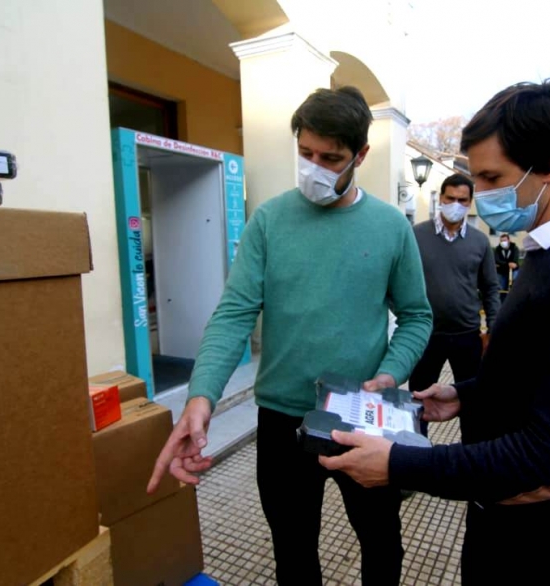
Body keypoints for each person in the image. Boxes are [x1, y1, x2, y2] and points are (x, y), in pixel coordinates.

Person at [319, 79, 550, 585]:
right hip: (508, 523)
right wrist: (465, 395)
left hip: (542, 548)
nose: (485, 196)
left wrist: (404, 464)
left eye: (494, 176)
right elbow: (540, 378)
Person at [147, 86, 433, 586]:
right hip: (281, 421)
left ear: (360, 155)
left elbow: (416, 316)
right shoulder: (270, 221)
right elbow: (234, 312)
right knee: (293, 552)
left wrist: (389, 374)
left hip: (359, 418)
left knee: (381, 540)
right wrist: (202, 396)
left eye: (331, 157)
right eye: (305, 153)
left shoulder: (390, 227)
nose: (315, 167)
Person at [409, 173, 500, 434]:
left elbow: (491, 288)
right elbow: (399, 281)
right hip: (426, 335)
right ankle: (415, 457)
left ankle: (472, 459)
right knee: (419, 402)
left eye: (462, 200)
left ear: (470, 203)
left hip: (467, 335)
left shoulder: (480, 241)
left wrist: (494, 328)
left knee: (472, 403)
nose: (455, 204)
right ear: (441, 198)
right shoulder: (416, 236)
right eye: (450, 198)